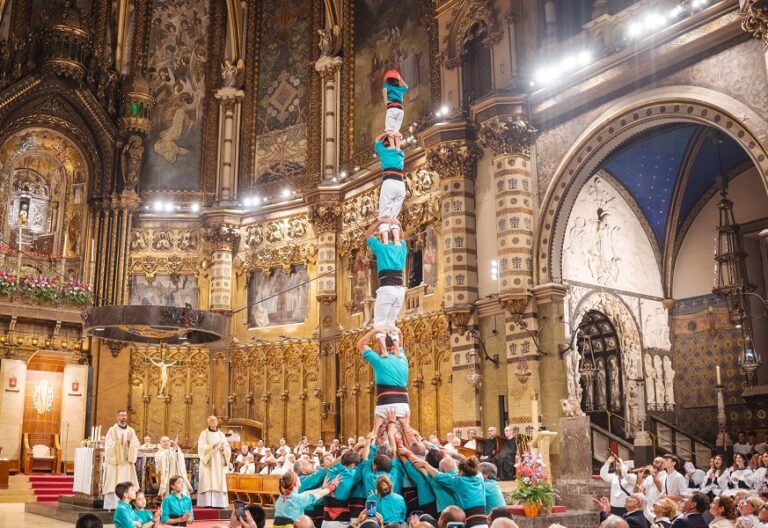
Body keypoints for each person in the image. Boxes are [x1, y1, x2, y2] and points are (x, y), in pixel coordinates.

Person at [364, 217, 408, 355]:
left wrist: (379, 221)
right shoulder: (402, 249)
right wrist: (398, 224)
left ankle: (383, 351)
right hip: (400, 290)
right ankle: (397, 351)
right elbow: (402, 237)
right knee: (391, 322)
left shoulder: (382, 248)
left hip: (387, 288)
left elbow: (367, 235)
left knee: (379, 323)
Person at [415, 456, 488, 528]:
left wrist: (426, 465)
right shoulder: (480, 477)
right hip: (484, 521)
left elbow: (438, 476)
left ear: (461, 472)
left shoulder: (458, 481)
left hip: (471, 523)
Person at [358, 324, 410, 425]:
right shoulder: (402, 358)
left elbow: (360, 345)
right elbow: (400, 346)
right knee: (404, 436)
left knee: (383, 437)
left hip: (386, 404)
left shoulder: (380, 362)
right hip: (404, 405)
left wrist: (374, 331)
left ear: (380, 347)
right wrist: (399, 333)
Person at [273, 469, 339, 528]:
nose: (299, 478)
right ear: (295, 483)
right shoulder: (298, 499)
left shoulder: (282, 496)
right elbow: (319, 495)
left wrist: (322, 488)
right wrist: (333, 486)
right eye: (298, 478)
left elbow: (304, 494)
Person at [373, 133, 406, 247]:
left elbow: (377, 139)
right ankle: (397, 241)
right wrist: (396, 137)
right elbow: (398, 143)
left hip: (389, 182)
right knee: (393, 217)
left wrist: (386, 132)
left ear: (386, 142)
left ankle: (386, 242)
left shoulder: (384, 152)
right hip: (401, 184)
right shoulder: (400, 153)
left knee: (384, 215)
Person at [103, 410, 140, 510]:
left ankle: (128, 505)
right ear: (117, 417)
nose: (124, 417)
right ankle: (113, 505)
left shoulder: (131, 431)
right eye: (121, 415)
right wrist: (121, 442)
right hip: (116, 463)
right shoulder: (112, 430)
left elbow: (136, 444)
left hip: (127, 463)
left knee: (127, 483)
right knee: (114, 483)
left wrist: (129, 443)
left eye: (125, 415)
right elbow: (108, 445)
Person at [197, 415, 231, 507]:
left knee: (218, 480)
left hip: (219, 461)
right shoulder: (204, 434)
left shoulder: (221, 434)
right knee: (207, 480)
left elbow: (227, 447)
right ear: (208, 422)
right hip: (208, 461)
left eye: (215, 420)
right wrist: (212, 446)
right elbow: (200, 447)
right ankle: (207, 503)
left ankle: (219, 503)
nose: (214, 421)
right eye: (211, 420)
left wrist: (223, 448)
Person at [381, 70, 408, 137]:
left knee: (389, 130)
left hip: (392, 108)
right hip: (400, 110)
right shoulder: (399, 88)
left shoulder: (386, 85)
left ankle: (392, 145)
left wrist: (386, 102)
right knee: (396, 130)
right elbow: (406, 87)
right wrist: (400, 78)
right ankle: (397, 144)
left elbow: (384, 92)